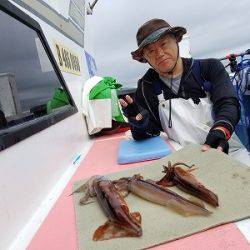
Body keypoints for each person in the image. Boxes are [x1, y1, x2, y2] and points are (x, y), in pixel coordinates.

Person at [119, 18, 242, 154]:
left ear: (177, 41)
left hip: (226, 149)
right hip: (184, 158)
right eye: (151, 51)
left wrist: (221, 130)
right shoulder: (145, 87)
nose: (160, 54)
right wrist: (138, 124)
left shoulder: (209, 68)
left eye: (164, 44)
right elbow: (150, 132)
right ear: (145, 58)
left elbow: (228, 103)